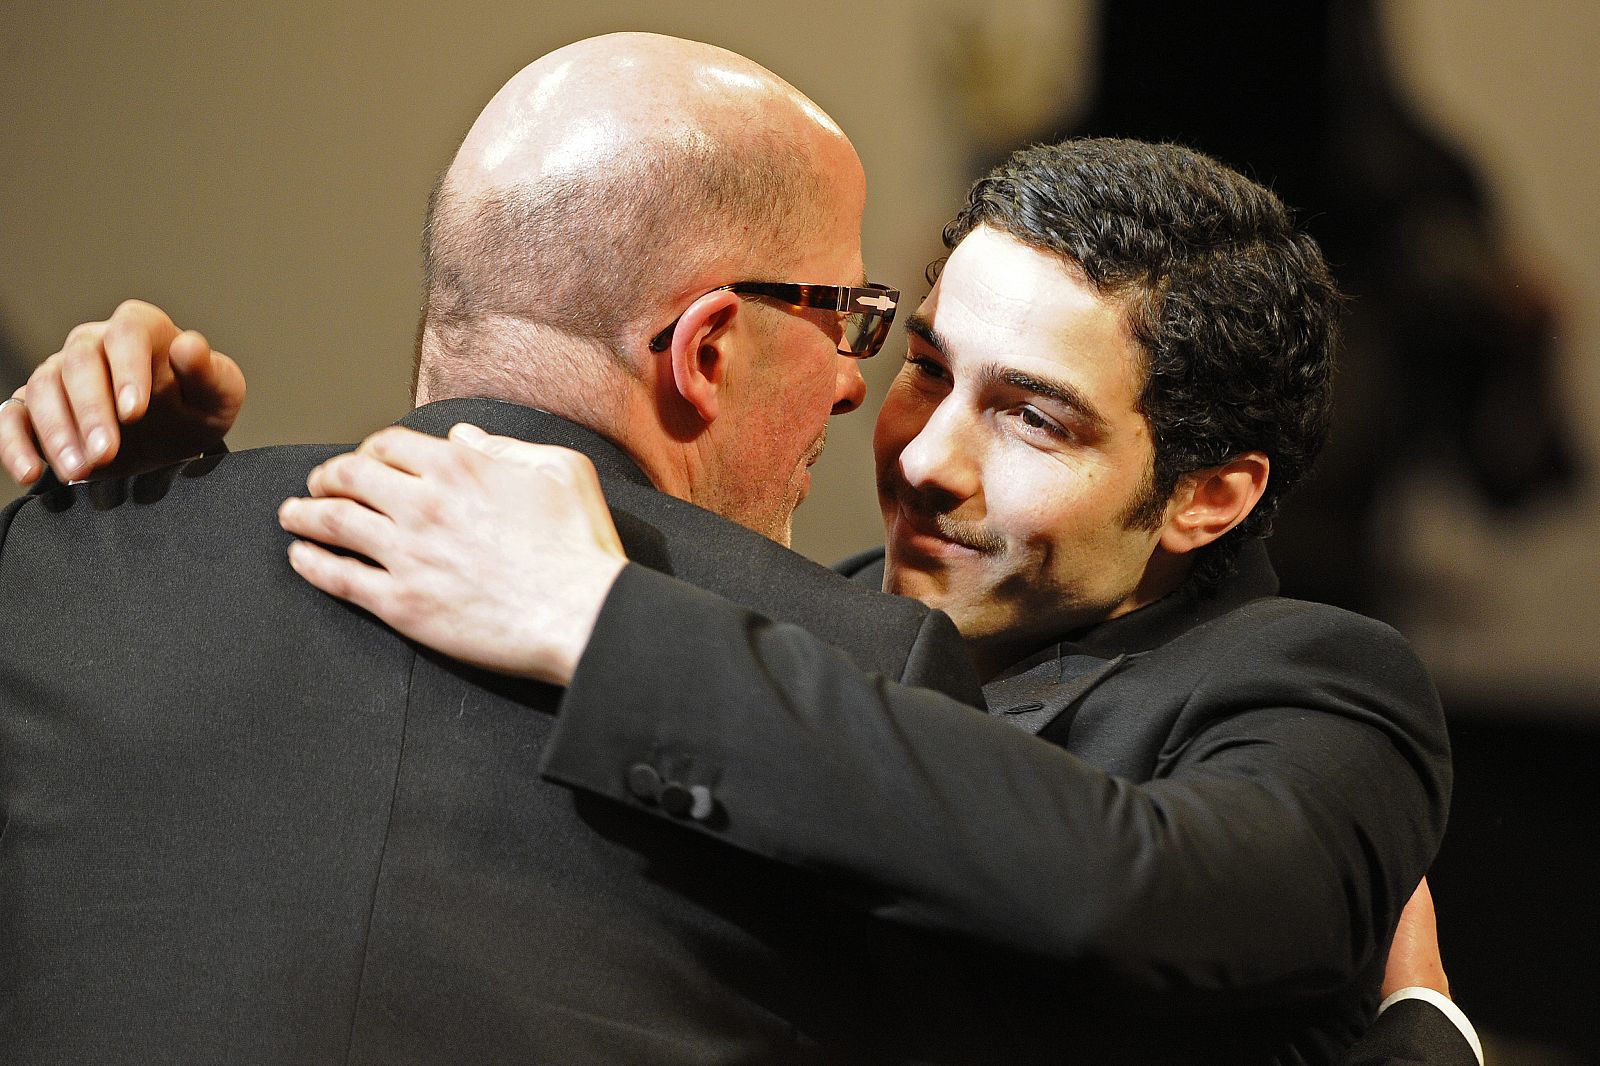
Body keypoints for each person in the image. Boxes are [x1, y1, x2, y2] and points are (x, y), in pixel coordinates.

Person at [4, 131, 1468, 1062]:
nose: (920, 456)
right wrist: (147, 499)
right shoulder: (783, 609)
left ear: (1214, 492)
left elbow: (1139, 883)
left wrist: (600, 622)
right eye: (924, 369)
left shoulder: (1319, 679)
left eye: (1034, 418)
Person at [0, 32, 986, 1065]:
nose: (847, 380)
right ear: (704, 351)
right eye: (843, 316)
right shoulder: (861, 684)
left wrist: (128, 512)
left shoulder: (58, 567)